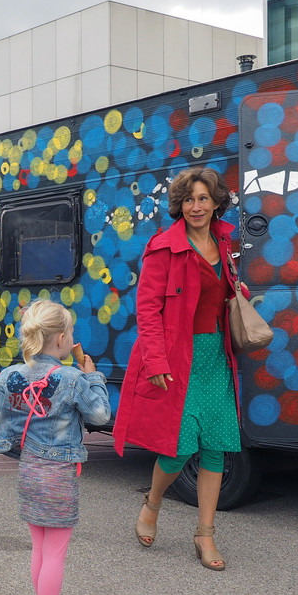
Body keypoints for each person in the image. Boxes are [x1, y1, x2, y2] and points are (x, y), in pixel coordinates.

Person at [112, 166, 246, 572]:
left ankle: (205, 534)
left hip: (215, 357)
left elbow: (221, 294)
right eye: (188, 199)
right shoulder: (162, 247)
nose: (196, 206)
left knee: (216, 447)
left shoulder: (225, 242)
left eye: (203, 198)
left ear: (216, 201)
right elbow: (148, 309)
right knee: (179, 447)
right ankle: (152, 503)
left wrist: (238, 292)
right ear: (179, 205)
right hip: (178, 358)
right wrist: (155, 359)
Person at [0, 299, 112, 595]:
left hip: (29, 470)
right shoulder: (74, 377)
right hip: (59, 474)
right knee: (56, 553)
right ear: (62, 339)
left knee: (39, 548)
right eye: (72, 334)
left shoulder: (8, 376)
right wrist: (93, 375)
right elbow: (101, 415)